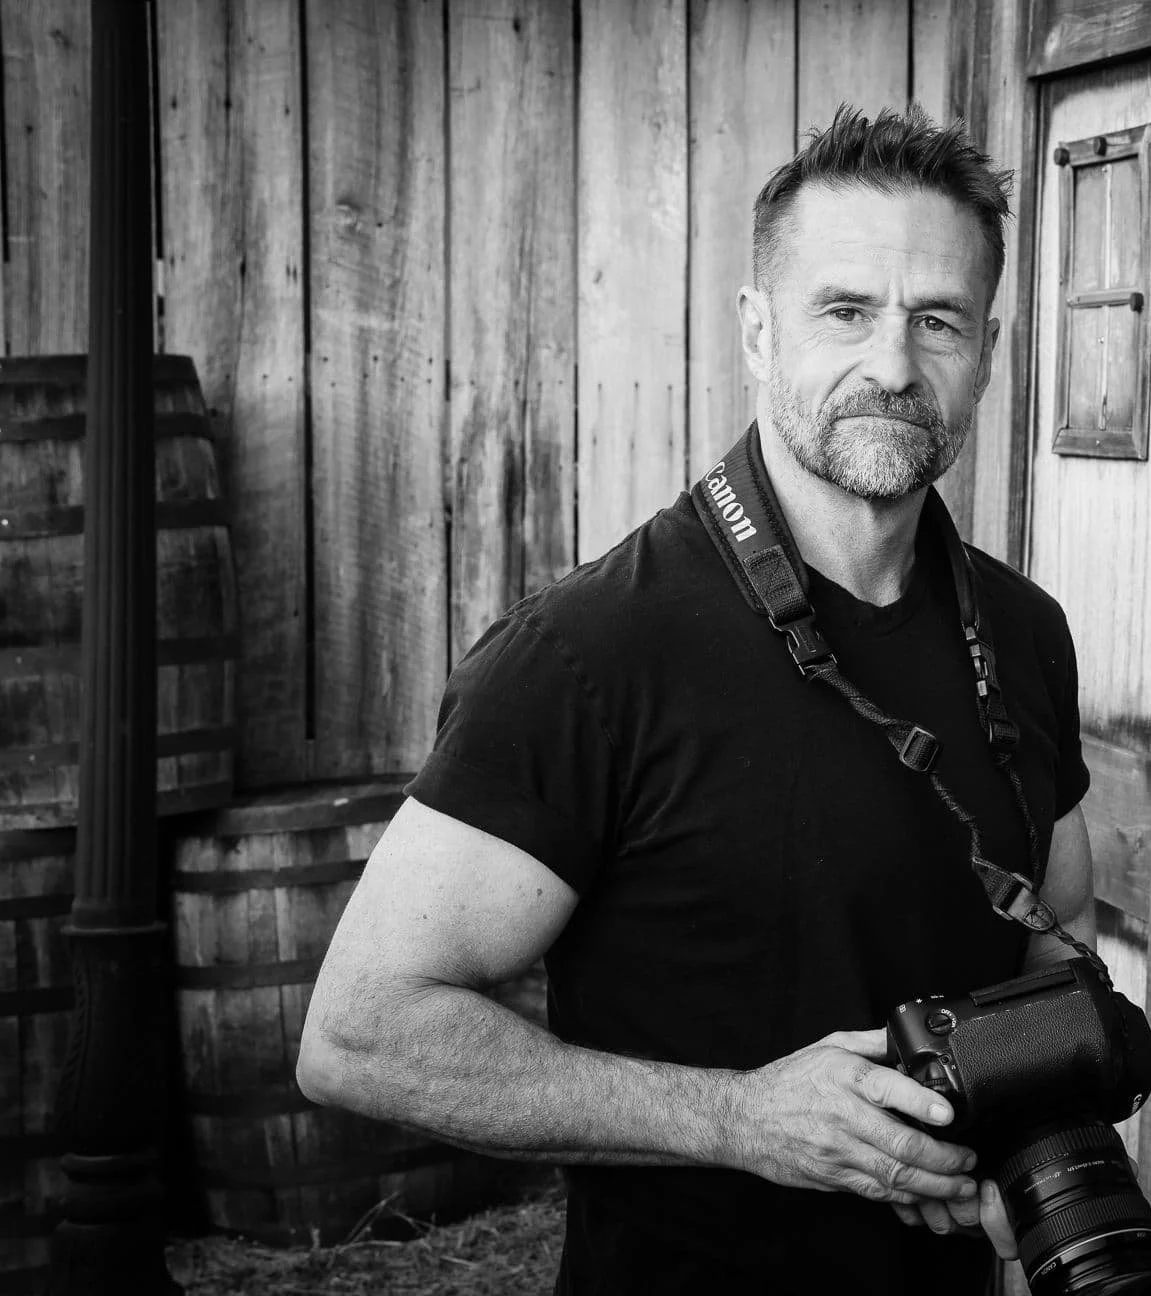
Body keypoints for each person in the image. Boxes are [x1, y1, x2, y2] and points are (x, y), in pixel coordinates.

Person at [296, 105, 1096, 1295]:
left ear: (987, 345)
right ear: (755, 331)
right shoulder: (586, 652)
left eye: (936, 320)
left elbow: (1050, 943)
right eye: (844, 311)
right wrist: (742, 1118)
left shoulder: (1023, 633)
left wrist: (1014, 1143)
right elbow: (360, 1033)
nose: (892, 364)